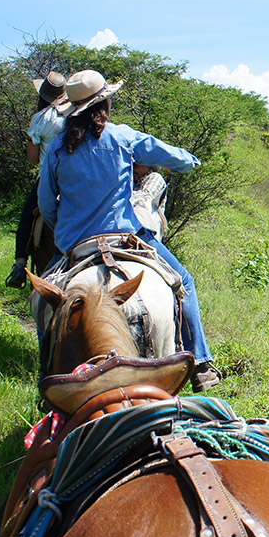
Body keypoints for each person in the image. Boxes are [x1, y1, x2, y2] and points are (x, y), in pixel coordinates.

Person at [38, 69, 220, 392]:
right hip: (126, 237)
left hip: (76, 245)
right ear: (104, 105)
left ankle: (47, 380)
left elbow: (46, 206)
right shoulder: (123, 137)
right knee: (184, 282)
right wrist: (189, 162)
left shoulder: (55, 149)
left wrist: (65, 233)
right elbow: (176, 159)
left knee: (43, 302)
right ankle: (201, 364)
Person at [6, 72, 68, 288]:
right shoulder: (77, 114)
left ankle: (20, 265)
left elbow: (33, 158)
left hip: (48, 180)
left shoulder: (40, 118)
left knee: (26, 218)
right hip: (77, 179)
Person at [131, 163, 168, 237]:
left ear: (146, 165)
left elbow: (146, 196)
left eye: (135, 166)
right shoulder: (131, 182)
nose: (132, 169)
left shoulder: (155, 177)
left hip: (149, 229)